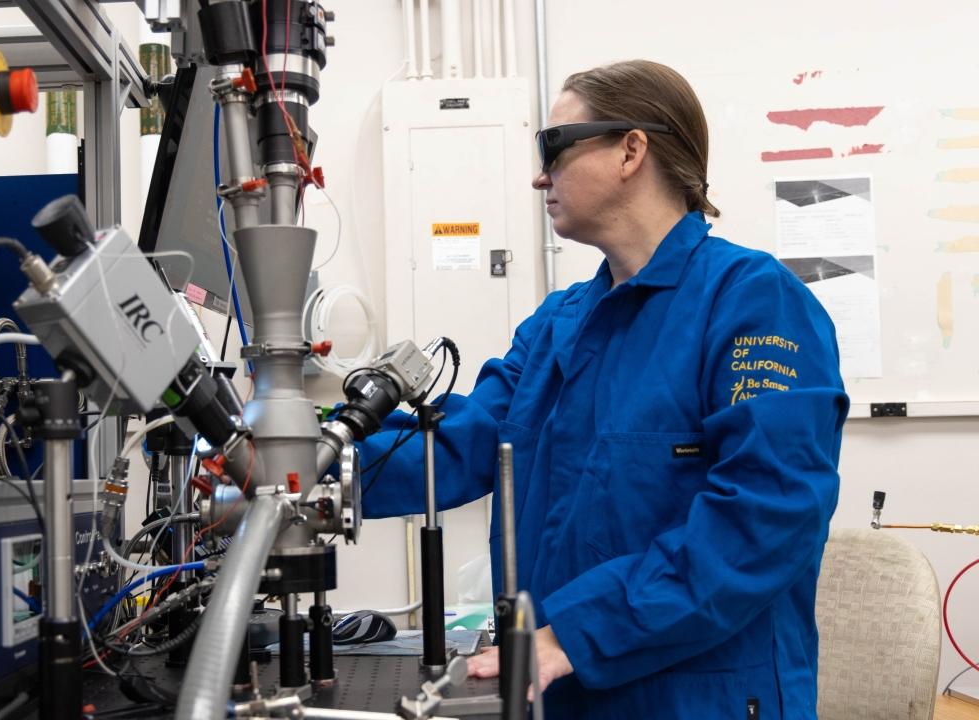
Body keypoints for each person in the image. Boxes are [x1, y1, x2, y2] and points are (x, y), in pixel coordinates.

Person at [358, 59, 849, 719]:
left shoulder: (753, 305)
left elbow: (763, 518)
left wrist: (572, 635)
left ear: (631, 149)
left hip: (698, 697)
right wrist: (302, 466)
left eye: (553, 148)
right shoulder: (557, 325)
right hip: (562, 692)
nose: (540, 176)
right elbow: (458, 445)